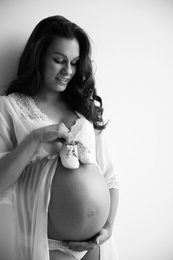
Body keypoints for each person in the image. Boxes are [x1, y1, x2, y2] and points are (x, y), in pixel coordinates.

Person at [0, 15, 119, 260]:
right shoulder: (9, 108)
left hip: (95, 245)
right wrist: (36, 138)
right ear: (39, 56)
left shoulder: (84, 110)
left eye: (74, 63)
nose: (68, 71)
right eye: (59, 60)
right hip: (43, 242)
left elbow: (110, 177)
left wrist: (107, 228)